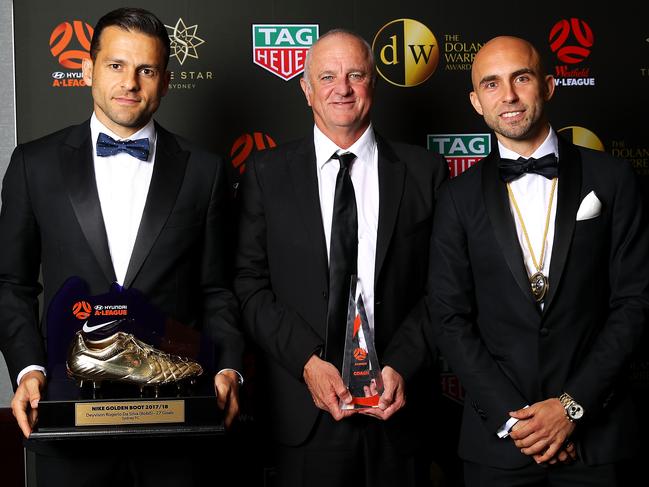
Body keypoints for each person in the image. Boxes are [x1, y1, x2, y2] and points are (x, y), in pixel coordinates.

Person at [0, 7, 244, 487]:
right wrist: (28, 366)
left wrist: (230, 367)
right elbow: (12, 283)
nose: (129, 82)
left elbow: (219, 289)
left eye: (146, 70)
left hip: (178, 419)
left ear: (165, 81)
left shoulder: (205, 170)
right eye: (115, 65)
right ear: (88, 70)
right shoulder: (34, 164)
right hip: (68, 412)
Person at [428, 35, 649, 486]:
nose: (507, 96)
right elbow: (448, 318)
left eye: (521, 78)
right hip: (499, 445)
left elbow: (635, 303)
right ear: (476, 102)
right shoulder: (455, 197)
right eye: (491, 84)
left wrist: (571, 408)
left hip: (597, 441)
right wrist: (522, 424)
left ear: (548, 85)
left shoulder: (613, 178)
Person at [234, 29, 448, 487]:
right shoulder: (266, 173)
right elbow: (249, 286)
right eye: (327, 76)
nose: (342, 88)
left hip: (398, 410)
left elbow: (444, 290)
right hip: (304, 411)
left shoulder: (425, 172)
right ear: (306, 88)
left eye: (356, 75)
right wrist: (307, 363)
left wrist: (403, 365)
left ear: (374, 82)